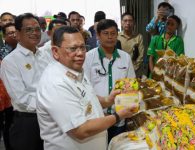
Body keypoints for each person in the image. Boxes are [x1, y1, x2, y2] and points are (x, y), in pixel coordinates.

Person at [36, 26, 136, 150]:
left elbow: (85, 99)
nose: (80, 53)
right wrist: (118, 116)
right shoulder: (56, 83)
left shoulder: (74, 70)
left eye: (82, 47)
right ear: (55, 52)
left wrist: (107, 100)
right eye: (73, 48)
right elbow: (81, 130)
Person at [1, 13, 49, 150]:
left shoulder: (45, 56)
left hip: (51, 118)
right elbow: (21, 98)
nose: (35, 33)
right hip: (28, 122)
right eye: (28, 29)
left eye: (37, 29)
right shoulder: (10, 62)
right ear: (17, 33)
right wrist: (51, 104)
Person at [84, 19, 136, 142]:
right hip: (96, 117)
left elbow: (131, 86)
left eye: (113, 33)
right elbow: (85, 88)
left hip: (119, 117)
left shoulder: (125, 57)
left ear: (117, 35)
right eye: (105, 33)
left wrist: (128, 112)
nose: (110, 37)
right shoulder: (88, 57)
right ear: (98, 35)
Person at [0, 22, 17, 150]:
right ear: (4, 36)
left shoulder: (26, 49)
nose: (14, 35)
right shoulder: (2, 52)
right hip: (6, 93)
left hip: (19, 94)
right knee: (8, 125)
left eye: (15, 31)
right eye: (10, 33)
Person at [118, 12, 145, 77]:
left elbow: (141, 55)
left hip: (134, 70)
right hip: (119, 69)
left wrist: (133, 68)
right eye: (125, 21)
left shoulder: (138, 37)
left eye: (130, 21)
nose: (128, 23)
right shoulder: (117, 37)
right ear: (121, 23)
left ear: (134, 23)